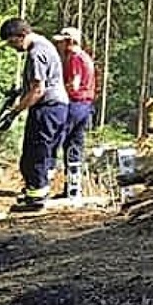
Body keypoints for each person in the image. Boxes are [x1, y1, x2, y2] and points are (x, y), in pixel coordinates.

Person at [0, 17, 69, 210]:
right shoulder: (45, 45)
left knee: (34, 154)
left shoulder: (36, 53)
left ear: (22, 36)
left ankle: (36, 198)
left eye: (13, 42)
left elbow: (38, 90)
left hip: (47, 108)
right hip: (57, 108)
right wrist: (19, 93)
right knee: (42, 154)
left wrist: (14, 112)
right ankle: (36, 193)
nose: (13, 48)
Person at [52, 26, 96, 196]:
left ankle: (43, 184)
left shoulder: (74, 58)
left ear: (70, 42)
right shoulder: (86, 57)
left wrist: (59, 91)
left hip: (75, 104)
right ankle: (73, 188)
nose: (58, 45)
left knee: (56, 141)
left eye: (61, 42)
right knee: (74, 146)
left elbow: (74, 84)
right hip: (86, 106)